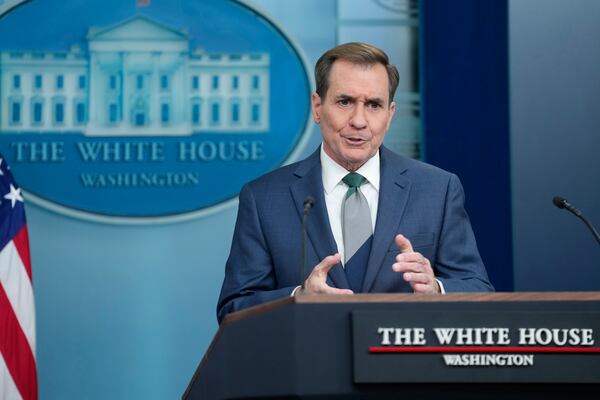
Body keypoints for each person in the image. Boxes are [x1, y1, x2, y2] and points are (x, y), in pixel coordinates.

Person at [217, 42, 493, 323]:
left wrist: (435, 288)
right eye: (345, 102)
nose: (359, 121)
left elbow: (477, 289)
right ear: (317, 107)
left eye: (374, 105)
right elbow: (234, 309)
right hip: (309, 363)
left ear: (390, 115)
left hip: (404, 364)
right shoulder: (264, 198)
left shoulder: (438, 189)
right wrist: (299, 297)